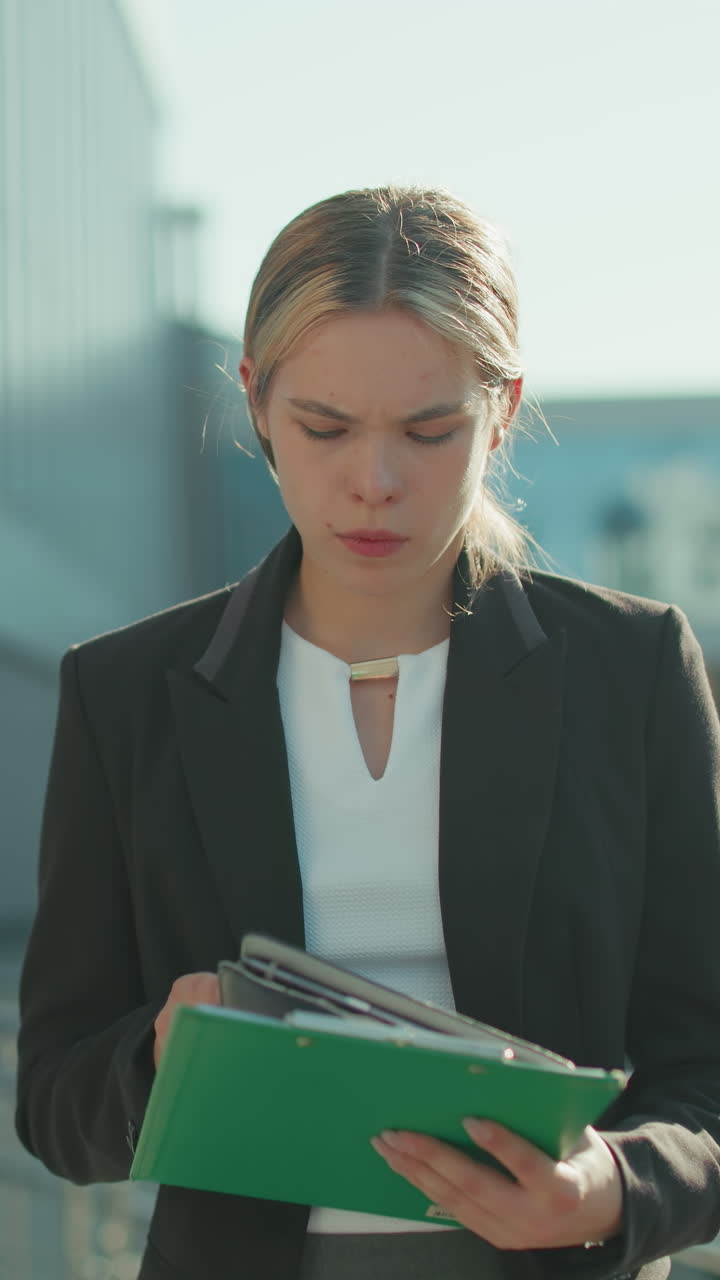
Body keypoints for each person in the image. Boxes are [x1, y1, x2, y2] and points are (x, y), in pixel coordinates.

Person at [14, 185, 720, 1280]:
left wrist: (611, 1190)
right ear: (254, 399)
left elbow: (709, 1067)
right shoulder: (127, 692)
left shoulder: (632, 673)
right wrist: (162, 1056)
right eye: (326, 426)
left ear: (503, 407)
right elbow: (55, 1102)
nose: (374, 481)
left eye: (429, 429)